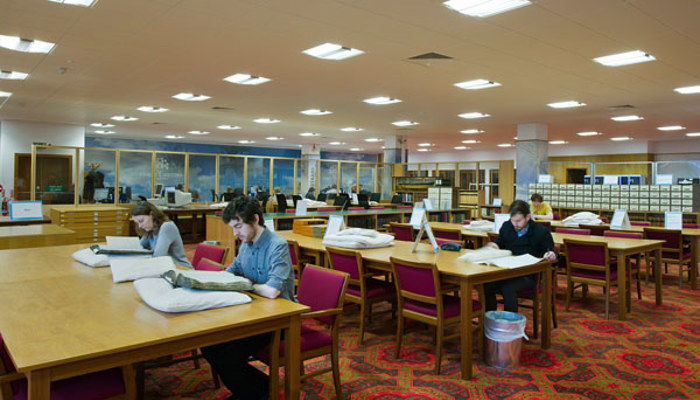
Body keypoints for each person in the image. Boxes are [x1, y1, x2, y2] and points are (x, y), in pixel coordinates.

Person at [200, 196, 295, 400]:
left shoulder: (277, 245)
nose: (235, 233)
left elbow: (272, 291)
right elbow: (232, 270)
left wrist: (246, 285)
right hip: (253, 313)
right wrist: (206, 281)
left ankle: (257, 393)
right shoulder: (246, 243)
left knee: (228, 358)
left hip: (278, 319)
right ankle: (256, 389)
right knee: (208, 346)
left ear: (254, 219)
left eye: (239, 226)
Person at [484, 199, 557, 312]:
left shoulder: (541, 231)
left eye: (518, 221)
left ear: (528, 217)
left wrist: (551, 254)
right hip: (507, 270)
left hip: (529, 274)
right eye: (513, 220)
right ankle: (490, 319)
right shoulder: (507, 226)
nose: (515, 224)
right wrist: (493, 246)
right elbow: (500, 242)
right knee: (486, 283)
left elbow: (551, 251)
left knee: (507, 287)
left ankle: (510, 325)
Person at [130, 201, 192, 268]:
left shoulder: (167, 227)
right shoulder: (150, 229)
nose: (140, 226)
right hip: (168, 268)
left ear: (152, 214)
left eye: (141, 221)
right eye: (137, 223)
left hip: (181, 268)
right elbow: (139, 247)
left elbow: (158, 256)